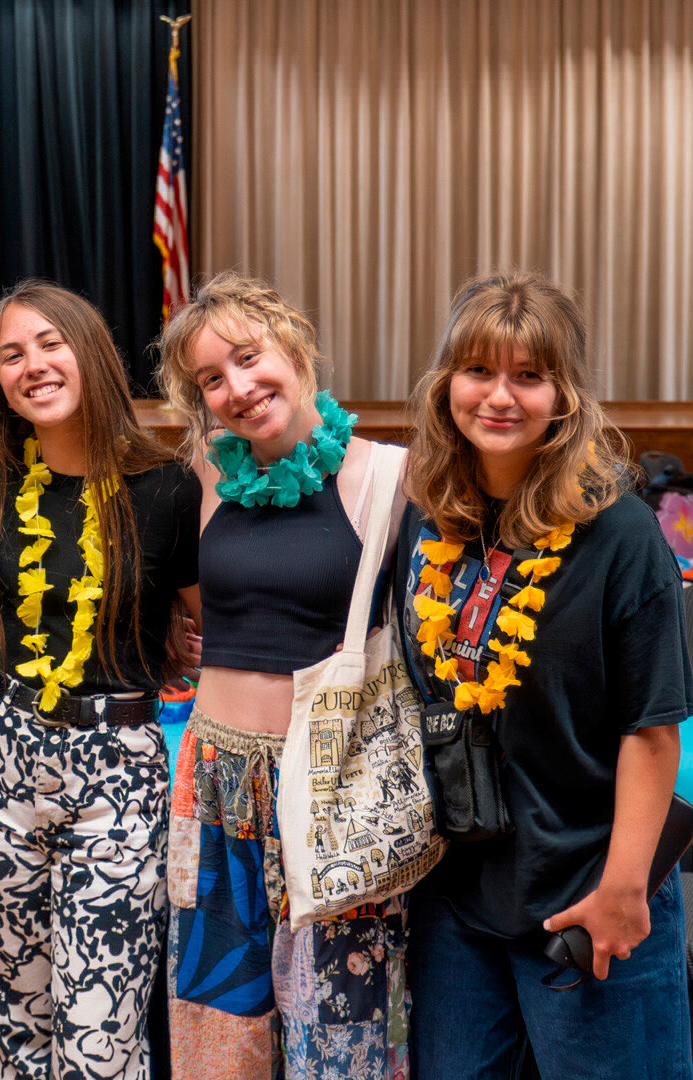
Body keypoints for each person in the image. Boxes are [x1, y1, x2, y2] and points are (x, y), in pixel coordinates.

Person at [395, 271, 689, 1079]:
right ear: (446, 382)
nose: (500, 396)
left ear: (564, 395)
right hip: (458, 899)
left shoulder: (620, 535)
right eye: (479, 371)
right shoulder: (430, 524)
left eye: (529, 375)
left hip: (589, 890)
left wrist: (624, 891)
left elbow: (654, 730)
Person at [154, 271, 410, 1078]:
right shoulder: (202, 473)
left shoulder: (390, 478)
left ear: (293, 345)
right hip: (214, 781)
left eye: (247, 357)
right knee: (214, 1034)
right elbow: (191, 604)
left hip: (334, 791)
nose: (237, 388)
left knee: (341, 1038)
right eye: (210, 380)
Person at [0, 281, 200, 1079]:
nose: (33, 365)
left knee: (100, 1038)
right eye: (11, 354)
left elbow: (207, 623)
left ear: (89, 352)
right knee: (15, 1032)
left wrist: (166, 638)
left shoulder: (167, 488)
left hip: (117, 770)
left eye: (50, 343)